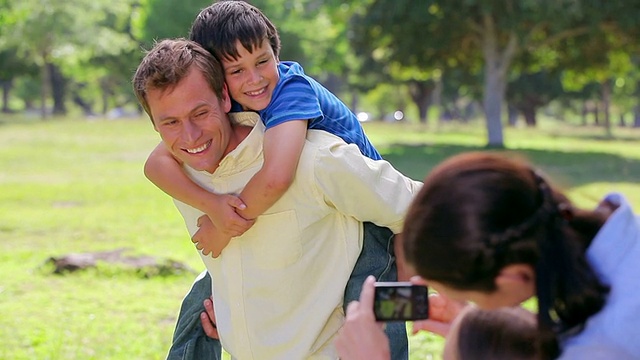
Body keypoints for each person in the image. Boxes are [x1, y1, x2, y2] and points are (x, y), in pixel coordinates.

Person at [132, 38, 421, 359]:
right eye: (170, 122)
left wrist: (412, 299)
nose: (190, 136)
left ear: (225, 97)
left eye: (200, 113)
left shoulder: (315, 160)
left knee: (376, 293)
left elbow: (424, 210)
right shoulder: (184, 176)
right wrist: (236, 323)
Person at [337, 152, 640, 359]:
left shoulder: (608, 342)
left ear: (511, 276)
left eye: (475, 299)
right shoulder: (617, 234)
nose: (477, 308)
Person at [144, 0, 382, 255]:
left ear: (276, 55)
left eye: (262, 61)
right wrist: (212, 205)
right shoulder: (230, 100)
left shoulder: (291, 90)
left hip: (370, 218)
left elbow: (276, 177)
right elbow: (155, 165)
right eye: (236, 70)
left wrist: (223, 226)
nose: (255, 79)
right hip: (326, 216)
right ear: (216, 79)